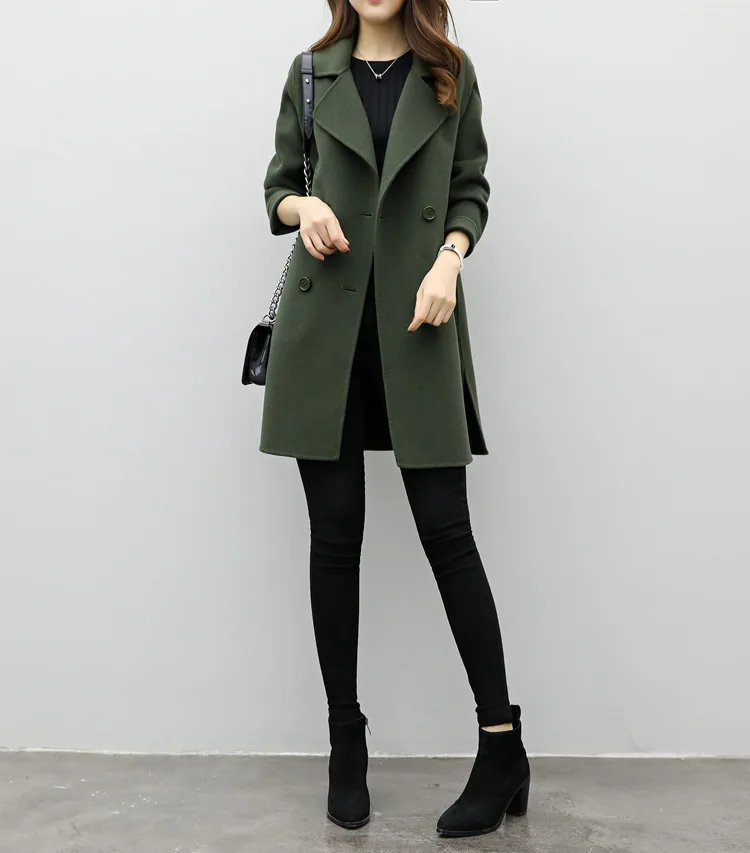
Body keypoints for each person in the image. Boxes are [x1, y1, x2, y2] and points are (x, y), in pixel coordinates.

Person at [260, 0, 529, 838]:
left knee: (448, 532)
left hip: (419, 321)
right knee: (334, 536)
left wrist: (450, 258)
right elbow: (277, 186)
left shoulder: (450, 72)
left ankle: (502, 744)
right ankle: (346, 741)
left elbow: (470, 188)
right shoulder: (311, 74)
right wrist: (304, 210)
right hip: (326, 332)